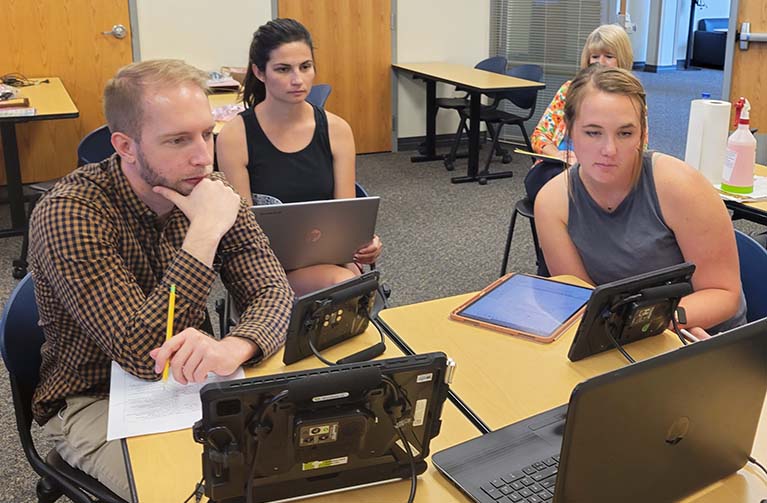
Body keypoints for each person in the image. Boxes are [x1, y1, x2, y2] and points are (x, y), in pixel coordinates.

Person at [28, 59, 295, 499]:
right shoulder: (69, 212)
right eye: (177, 140)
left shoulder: (207, 188)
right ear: (125, 146)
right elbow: (140, 354)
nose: (202, 157)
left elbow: (274, 292)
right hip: (95, 397)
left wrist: (236, 345)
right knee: (204, 492)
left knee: (293, 465)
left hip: (191, 384)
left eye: (207, 134)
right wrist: (204, 233)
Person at [534, 65, 746, 338]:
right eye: (592, 132)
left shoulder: (680, 187)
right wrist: (636, 325)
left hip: (702, 334)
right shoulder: (552, 203)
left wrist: (664, 321)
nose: (609, 150)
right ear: (570, 131)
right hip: (627, 334)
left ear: (642, 134)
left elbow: (724, 293)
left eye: (625, 133)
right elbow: (584, 302)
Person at [217, 18, 382, 296]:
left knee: (350, 279)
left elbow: (345, 216)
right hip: (262, 266)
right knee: (346, 284)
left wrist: (364, 244)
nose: (297, 80)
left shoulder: (336, 129)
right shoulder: (235, 136)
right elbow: (243, 233)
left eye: (305, 67)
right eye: (283, 69)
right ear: (259, 72)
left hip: (327, 259)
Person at [526, 24, 636, 203]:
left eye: (608, 56)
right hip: (560, 168)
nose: (600, 62)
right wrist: (557, 154)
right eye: (594, 56)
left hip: (606, 172)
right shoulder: (569, 90)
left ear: (622, 59)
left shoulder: (632, 97)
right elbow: (540, 135)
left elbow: (639, 149)